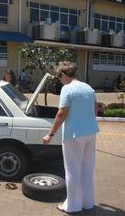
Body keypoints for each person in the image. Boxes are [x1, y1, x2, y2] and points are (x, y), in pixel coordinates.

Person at [42, 61, 99, 214]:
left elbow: (61, 113)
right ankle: (88, 203)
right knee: (87, 169)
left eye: (59, 77)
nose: (59, 80)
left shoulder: (67, 89)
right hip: (91, 133)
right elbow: (95, 109)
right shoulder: (88, 87)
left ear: (64, 74)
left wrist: (50, 134)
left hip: (74, 135)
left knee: (72, 170)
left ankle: (72, 206)